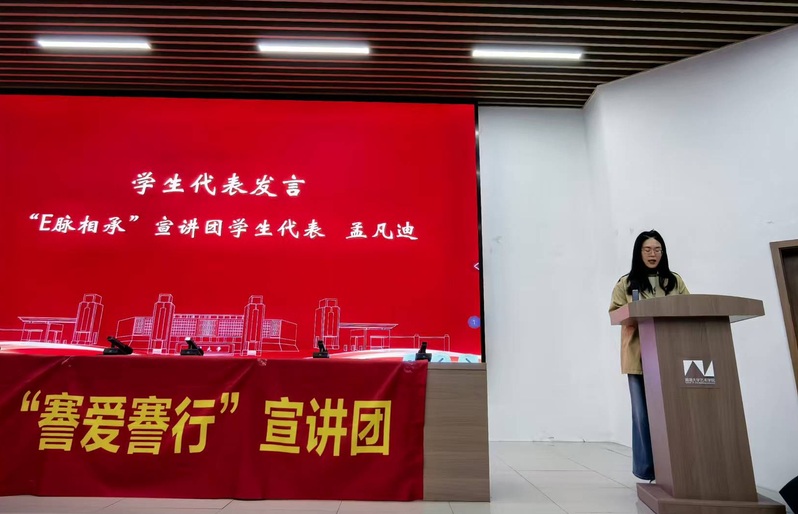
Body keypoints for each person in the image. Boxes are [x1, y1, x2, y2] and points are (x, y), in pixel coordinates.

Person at [609, 230, 689, 481]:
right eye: (647, 250)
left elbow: (689, 307)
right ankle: (648, 470)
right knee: (642, 415)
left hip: (671, 355)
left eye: (657, 249)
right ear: (639, 253)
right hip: (639, 357)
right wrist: (635, 312)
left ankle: (677, 467)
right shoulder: (626, 283)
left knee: (672, 412)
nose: (653, 254)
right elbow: (614, 314)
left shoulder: (674, 281)